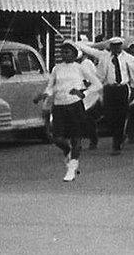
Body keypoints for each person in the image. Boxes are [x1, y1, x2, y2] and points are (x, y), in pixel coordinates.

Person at [34, 41, 101, 182]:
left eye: (68, 52)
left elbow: (97, 84)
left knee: (76, 138)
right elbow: (51, 86)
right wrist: (44, 94)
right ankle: (67, 150)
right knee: (57, 138)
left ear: (75, 54)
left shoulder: (80, 68)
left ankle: (72, 169)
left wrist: (83, 93)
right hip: (59, 106)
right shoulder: (56, 68)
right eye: (62, 52)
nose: (64, 54)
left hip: (75, 105)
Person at [76, 37, 134, 155]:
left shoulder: (128, 58)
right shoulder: (105, 57)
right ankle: (118, 135)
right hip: (109, 89)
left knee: (121, 116)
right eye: (113, 46)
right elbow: (91, 51)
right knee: (110, 116)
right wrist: (77, 44)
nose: (116, 48)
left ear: (121, 46)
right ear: (110, 47)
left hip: (122, 88)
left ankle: (116, 144)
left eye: (118, 45)